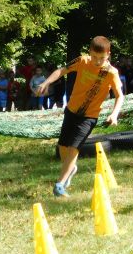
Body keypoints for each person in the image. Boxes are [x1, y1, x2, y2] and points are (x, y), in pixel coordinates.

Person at [36, 36, 123, 198]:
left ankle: (60, 185)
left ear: (108, 54)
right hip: (71, 111)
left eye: (102, 58)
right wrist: (46, 82)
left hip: (89, 117)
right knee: (62, 146)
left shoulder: (111, 73)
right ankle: (70, 169)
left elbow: (120, 96)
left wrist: (114, 114)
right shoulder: (82, 61)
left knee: (73, 148)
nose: (97, 61)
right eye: (94, 57)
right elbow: (61, 70)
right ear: (89, 52)